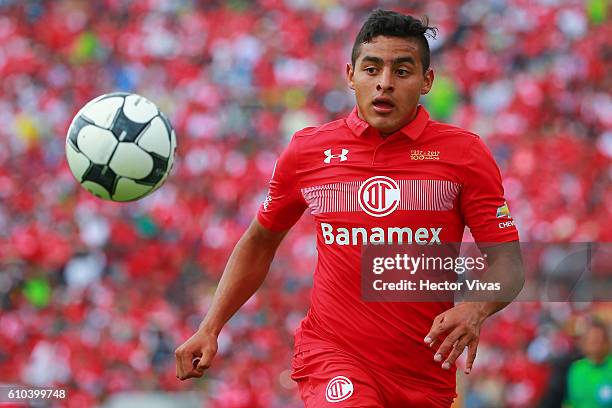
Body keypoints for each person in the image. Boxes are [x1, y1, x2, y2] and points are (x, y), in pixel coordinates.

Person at [175, 9, 524, 407]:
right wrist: (210, 326)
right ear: (350, 75)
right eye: (372, 69)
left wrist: (477, 308)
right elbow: (260, 241)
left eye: (402, 71)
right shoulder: (309, 151)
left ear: (427, 81)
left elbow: (508, 264)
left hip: (422, 374)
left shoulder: (464, 155)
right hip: (333, 355)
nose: (384, 84)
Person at [565, 319, 612, 408]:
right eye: (592, 340)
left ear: (607, 343)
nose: (595, 344)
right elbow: (571, 402)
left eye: (599, 340)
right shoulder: (577, 369)